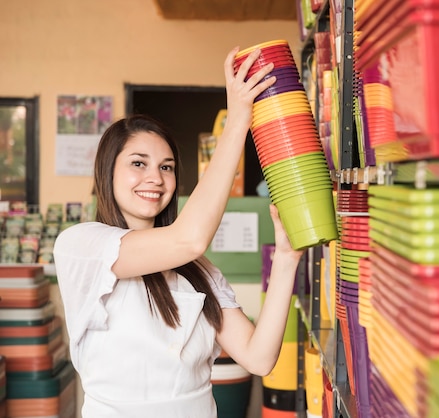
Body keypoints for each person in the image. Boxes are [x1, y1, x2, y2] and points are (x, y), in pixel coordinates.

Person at [53, 47, 304, 417]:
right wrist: (238, 121)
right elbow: (188, 238)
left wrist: (286, 259)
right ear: (107, 172)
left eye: (167, 167)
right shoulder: (81, 246)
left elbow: (259, 357)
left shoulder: (197, 268)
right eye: (139, 164)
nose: (155, 178)